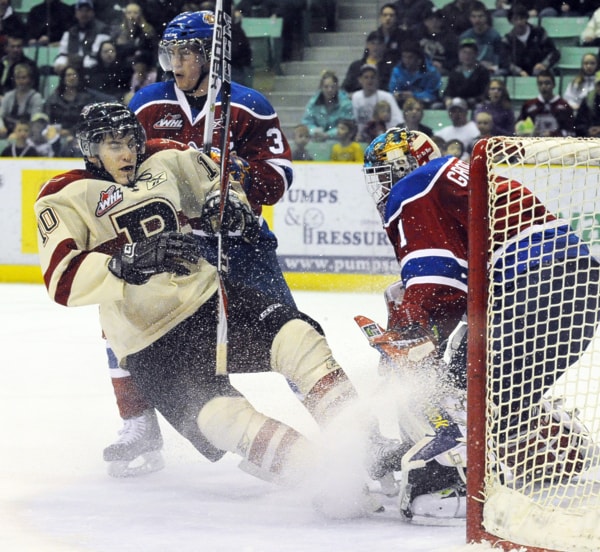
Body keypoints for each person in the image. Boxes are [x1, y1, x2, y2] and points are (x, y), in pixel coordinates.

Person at [34, 101, 407, 514]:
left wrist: (227, 207)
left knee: (299, 338)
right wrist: (128, 261)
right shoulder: (61, 195)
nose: (126, 153)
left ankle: (363, 442)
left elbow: (219, 185)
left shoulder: (166, 156)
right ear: (90, 149)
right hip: (148, 342)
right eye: (112, 145)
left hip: (210, 302)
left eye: (130, 142)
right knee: (223, 419)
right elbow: (60, 278)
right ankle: (326, 475)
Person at [361, 126, 600, 522]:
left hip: (534, 288)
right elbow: (457, 287)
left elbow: (435, 277)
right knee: (471, 377)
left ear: (407, 165)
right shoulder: (457, 179)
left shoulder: (417, 183)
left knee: (456, 388)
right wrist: (419, 324)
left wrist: (410, 328)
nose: (384, 188)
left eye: (385, 175)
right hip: (575, 294)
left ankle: (446, 483)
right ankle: (555, 446)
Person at [116, 10, 297, 476]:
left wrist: (237, 175)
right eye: (169, 52)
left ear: (211, 55)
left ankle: (344, 426)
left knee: (293, 332)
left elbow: (278, 177)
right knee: (125, 325)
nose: (174, 62)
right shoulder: (148, 104)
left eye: (184, 52)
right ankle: (139, 425)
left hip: (241, 243)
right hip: (175, 248)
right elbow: (121, 170)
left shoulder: (249, 105)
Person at [43, 63, 113, 156]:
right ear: (63, 78)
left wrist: (71, 132)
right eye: (68, 75)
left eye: (74, 75)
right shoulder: (54, 99)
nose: (71, 78)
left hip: (80, 136)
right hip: (57, 135)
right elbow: (48, 118)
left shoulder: (88, 98)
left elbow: (88, 120)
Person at [53, 0, 112, 75]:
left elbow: (94, 56)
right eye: (80, 10)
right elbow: (62, 53)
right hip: (72, 68)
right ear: (76, 13)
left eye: (87, 10)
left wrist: (72, 61)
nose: (84, 14)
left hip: (93, 71)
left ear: (93, 13)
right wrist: (60, 63)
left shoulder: (102, 30)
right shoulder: (70, 32)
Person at [501, 4, 560, 77]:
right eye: (515, 19)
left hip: (539, 71)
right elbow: (505, 61)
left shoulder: (539, 32)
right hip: (518, 74)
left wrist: (544, 64)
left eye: (522, 18)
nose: (519, 22)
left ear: (526, 18)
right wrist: (519, 71)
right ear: (511, 21)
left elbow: (554, 53)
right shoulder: (508, 39)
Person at [351, 64, 403, 141]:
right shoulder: (356, 97)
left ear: (377, 79)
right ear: (360, 80)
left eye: (372, 77)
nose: (369, 80)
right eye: (366, 77)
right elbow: (354, 120)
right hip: (362, 138)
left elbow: (398, 120)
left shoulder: (387, 96)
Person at [516, 69, 575, 137]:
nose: (543, 86)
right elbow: (519, 127)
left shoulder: (564, 106)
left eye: (547, 83)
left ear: (554, 85)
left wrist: (554, 134)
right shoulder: (528, 106)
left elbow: (572, 132)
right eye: (540, 83)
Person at [301, 69, 353, 142]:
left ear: (337, 87)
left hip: (339, 140)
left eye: (332, 87)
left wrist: (327, 135)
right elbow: (306, 121)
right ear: (321, 88)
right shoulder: (313, 103)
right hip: (317, 139)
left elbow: (347, 125)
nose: (329, 90)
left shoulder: (346, 103)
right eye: (326, 87)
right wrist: (314, 131)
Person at [388, 42, 442, 109]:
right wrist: (399, 95)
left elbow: (433, 95)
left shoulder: (431, 72)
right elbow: (393, 91)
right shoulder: (397, 71)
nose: (406, 60)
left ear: (418, 59)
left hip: (425, 105)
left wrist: (413, 95)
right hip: (402, 104)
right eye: (404, 57)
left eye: (410, 57)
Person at [459, 1, 505, 75]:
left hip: (490, 71)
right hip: (470, 70)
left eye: (480, 16)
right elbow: (462, 60)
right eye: (474, 17)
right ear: (470, 18)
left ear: (486, 17)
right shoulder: (465, 37)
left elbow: (498, 60)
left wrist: (492, 67)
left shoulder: (495, 36)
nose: (477, 20)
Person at [442, 38, 490, 109]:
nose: (467, 56)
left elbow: (485, 93)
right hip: (457, 103)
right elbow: (448, 91)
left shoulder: (482, 71)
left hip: (475, 103)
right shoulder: (454, 72)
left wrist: (474, 100)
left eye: (470, 53)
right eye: (464, 53)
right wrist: (447, 99)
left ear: (476, 54)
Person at [0, 62, 44, 137]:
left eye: (23, 78)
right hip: (8, 131)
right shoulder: (8, 96)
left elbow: (35, 122)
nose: (20, 81)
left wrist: (19, 133)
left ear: (30, 79)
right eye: (18, 78)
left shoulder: (36, 97)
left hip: (27, 133)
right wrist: (1, 127)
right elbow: (1, 115)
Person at [413, 7, 459, 77]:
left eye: (437, 19)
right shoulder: (418, 35)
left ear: (441, 21)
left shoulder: (450, 38)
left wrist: (443, 64)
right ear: (425, 21)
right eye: (430, 19)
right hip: (419, 66)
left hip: (440, 69)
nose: (434, 22)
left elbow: (455, 59)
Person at [111, 2, 158, 67]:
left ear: (140, 15)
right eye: (129, 13)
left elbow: (154, 49)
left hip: (143, 64)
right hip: (123, 65)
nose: (132, 16)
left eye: (135, 13)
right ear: (125, 15)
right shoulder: (119, 30)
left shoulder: (148, 29)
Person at [573, 70, 600, 137]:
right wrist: (587, 131)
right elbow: (578, 123)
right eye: (599, 84)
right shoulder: (588, 100)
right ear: (595, 85)